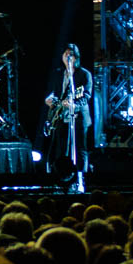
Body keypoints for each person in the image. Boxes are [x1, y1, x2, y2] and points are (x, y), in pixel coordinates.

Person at [45, 43, 92, 179]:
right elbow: (56, 93)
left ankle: (81, 178)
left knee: (80, 149)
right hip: (62, 116)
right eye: (65, 54)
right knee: (61, 148)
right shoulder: (59, 74)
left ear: (76, 57)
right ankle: (63, 177)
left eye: (70, 54)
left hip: (78, 116)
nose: (67, 56)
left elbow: (86, 96)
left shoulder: (84, 74)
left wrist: (74, 104)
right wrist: (50, 99)